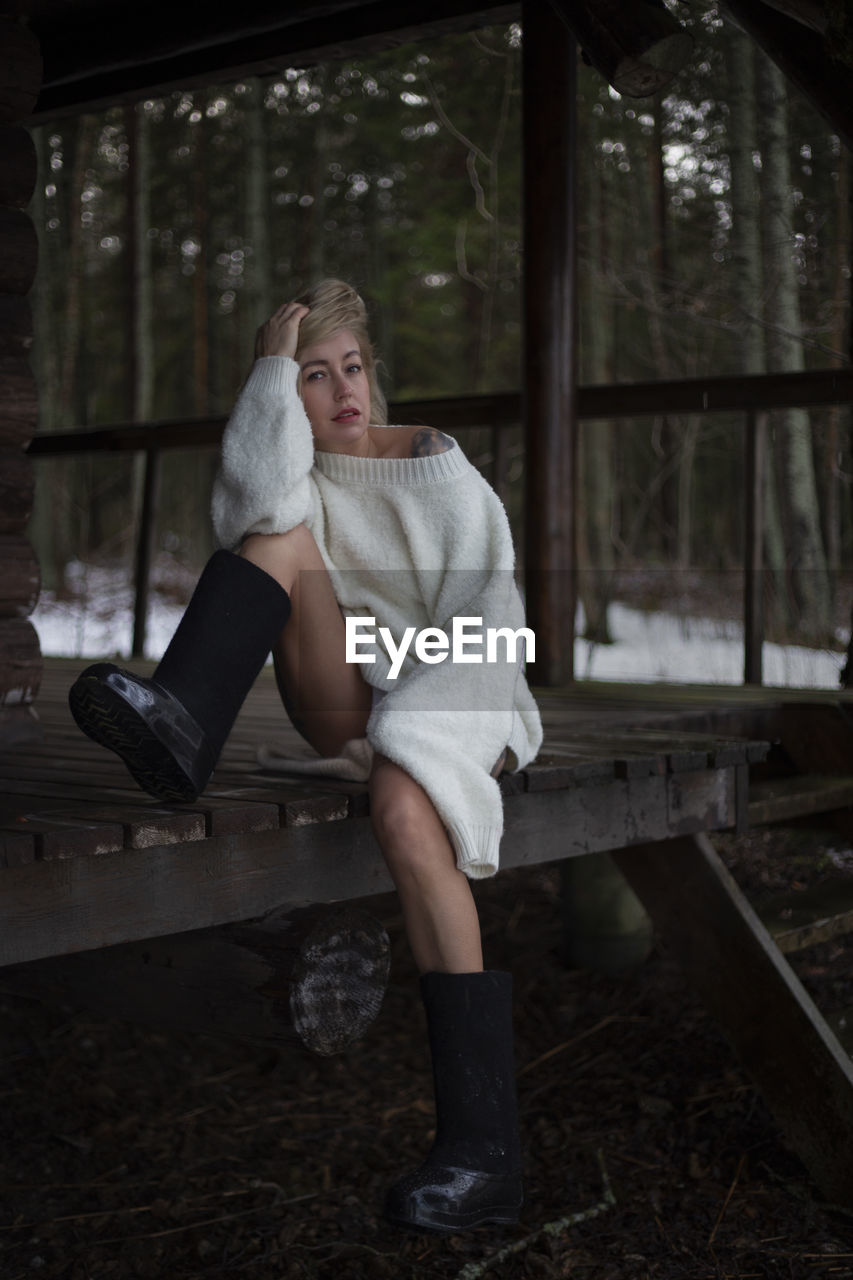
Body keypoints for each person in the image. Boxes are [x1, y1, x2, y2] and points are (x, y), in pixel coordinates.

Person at [68, 279, 543, 1234]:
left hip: (458, 689)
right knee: (275, 527)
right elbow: (248, 503)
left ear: (375, 374)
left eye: (352, 370)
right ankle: (181, 719)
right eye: (314, 379)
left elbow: (493, 633)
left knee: (407, 813)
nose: (342, 394)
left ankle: (487, 1152)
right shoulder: (304, 473)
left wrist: (410, 731)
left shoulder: (441, 475)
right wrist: (267, 369)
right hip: (345, 696)